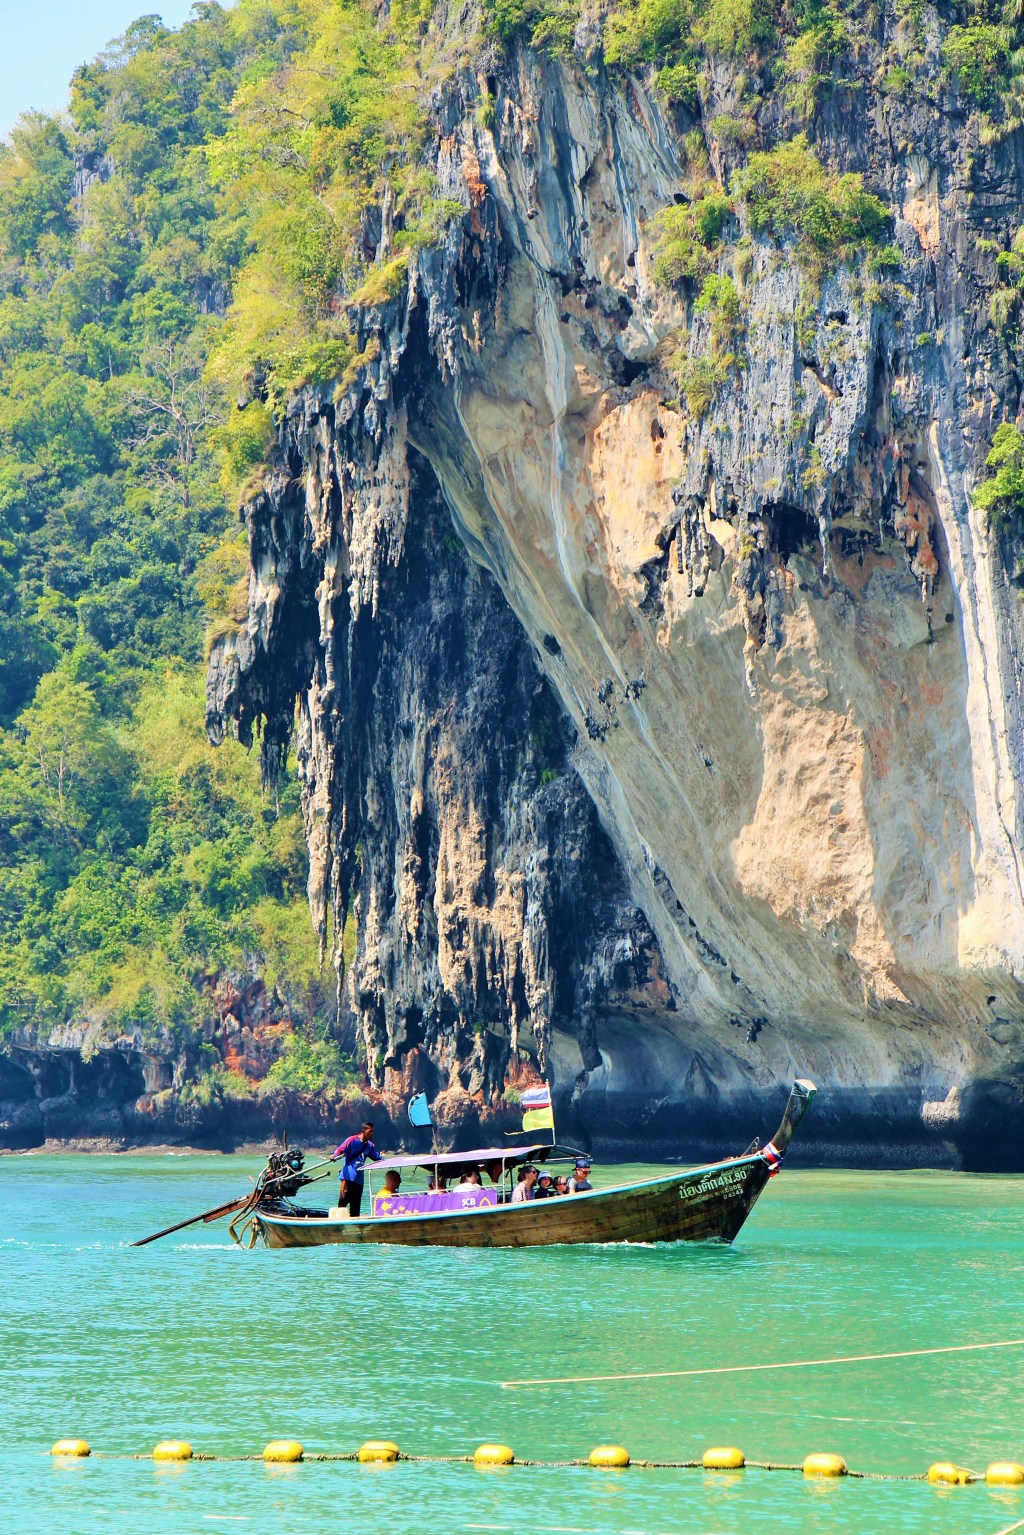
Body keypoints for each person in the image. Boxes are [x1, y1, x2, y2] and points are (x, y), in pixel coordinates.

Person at [332, 1120, 382, 1218]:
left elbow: (377, 1157)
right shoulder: (352, 1140)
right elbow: (340, 1149)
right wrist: (334, 1155)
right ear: (363, 1130)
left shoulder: (370, 1146)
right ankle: (338, 1228)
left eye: (373, 1132)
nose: (372, 1134)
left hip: (359, 1180)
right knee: (342, 1203)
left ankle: (356, 1229)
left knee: (355, 1206)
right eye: (370, 1131)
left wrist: (390, 1161)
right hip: (348, 1177)